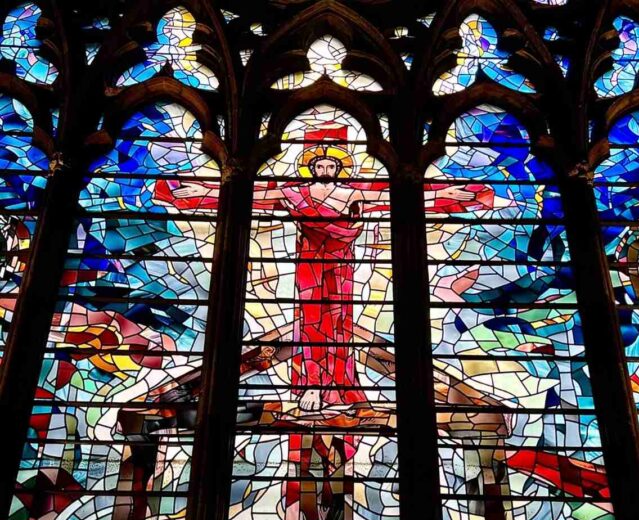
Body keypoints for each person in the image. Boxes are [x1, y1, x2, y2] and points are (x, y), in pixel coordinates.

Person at [163, 131, 488, 413]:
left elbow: (393, 196)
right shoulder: (297, 193)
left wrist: (444, 194)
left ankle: (338, 384)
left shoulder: (351, 194)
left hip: (342, 266)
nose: (325, 170)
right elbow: (256, 195)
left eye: (331, 166)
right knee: (311, 320)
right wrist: (202, 192)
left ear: (338, 168)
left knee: (339, 322)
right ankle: (312, 385)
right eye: (319, 166)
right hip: (310, 264)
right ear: (312, 168)